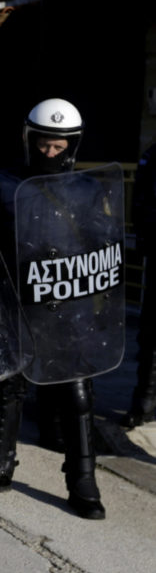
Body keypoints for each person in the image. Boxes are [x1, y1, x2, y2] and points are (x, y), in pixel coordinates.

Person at [0, 98, 109, 520]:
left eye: (59, 146)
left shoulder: (87, 188)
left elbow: (103, 245)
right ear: (30, 139)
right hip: (16, 302)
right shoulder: (3, 183)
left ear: (73, 145)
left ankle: (82, 479)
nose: (50, 152)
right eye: (44, 143)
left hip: (69, 306)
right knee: (6, 389)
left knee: (77, 394)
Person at [123, 138, 156, 429]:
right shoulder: (152, 155)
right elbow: (141, 201)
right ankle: (144, 400)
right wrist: (145, 240)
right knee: (150, 332)